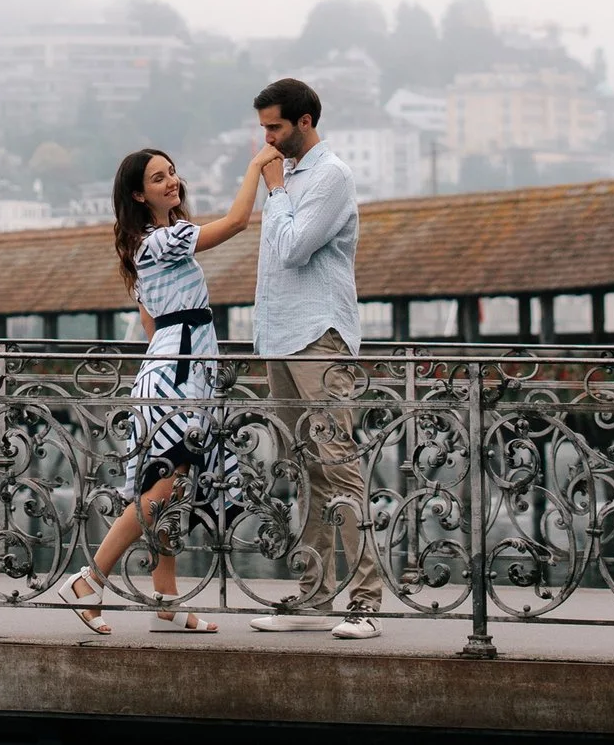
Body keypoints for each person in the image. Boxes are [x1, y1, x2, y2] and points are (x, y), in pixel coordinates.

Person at [53, 145, 265, 634]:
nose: (171, 181)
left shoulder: (144, 245)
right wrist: (256, 166)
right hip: (177, 373)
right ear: (138, 193)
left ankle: (166, 603)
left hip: (177, 367)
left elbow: (151, 326)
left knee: (174, 491)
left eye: (172, 173)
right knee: (161, 491)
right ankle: (89, 579)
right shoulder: (161, 239)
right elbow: (235, 223)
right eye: (157, 178)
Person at [244, 76, 383, 639]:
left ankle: (367, 600)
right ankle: (315, 596)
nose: (267, 138)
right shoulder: (290, 176)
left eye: (275, 126)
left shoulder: (329, 176)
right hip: (280, 337)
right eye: (263, 128)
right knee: (308, 469)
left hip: (318, 338)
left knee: (340, 464)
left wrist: (274, 191)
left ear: (304, 122)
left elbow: (295, 248)